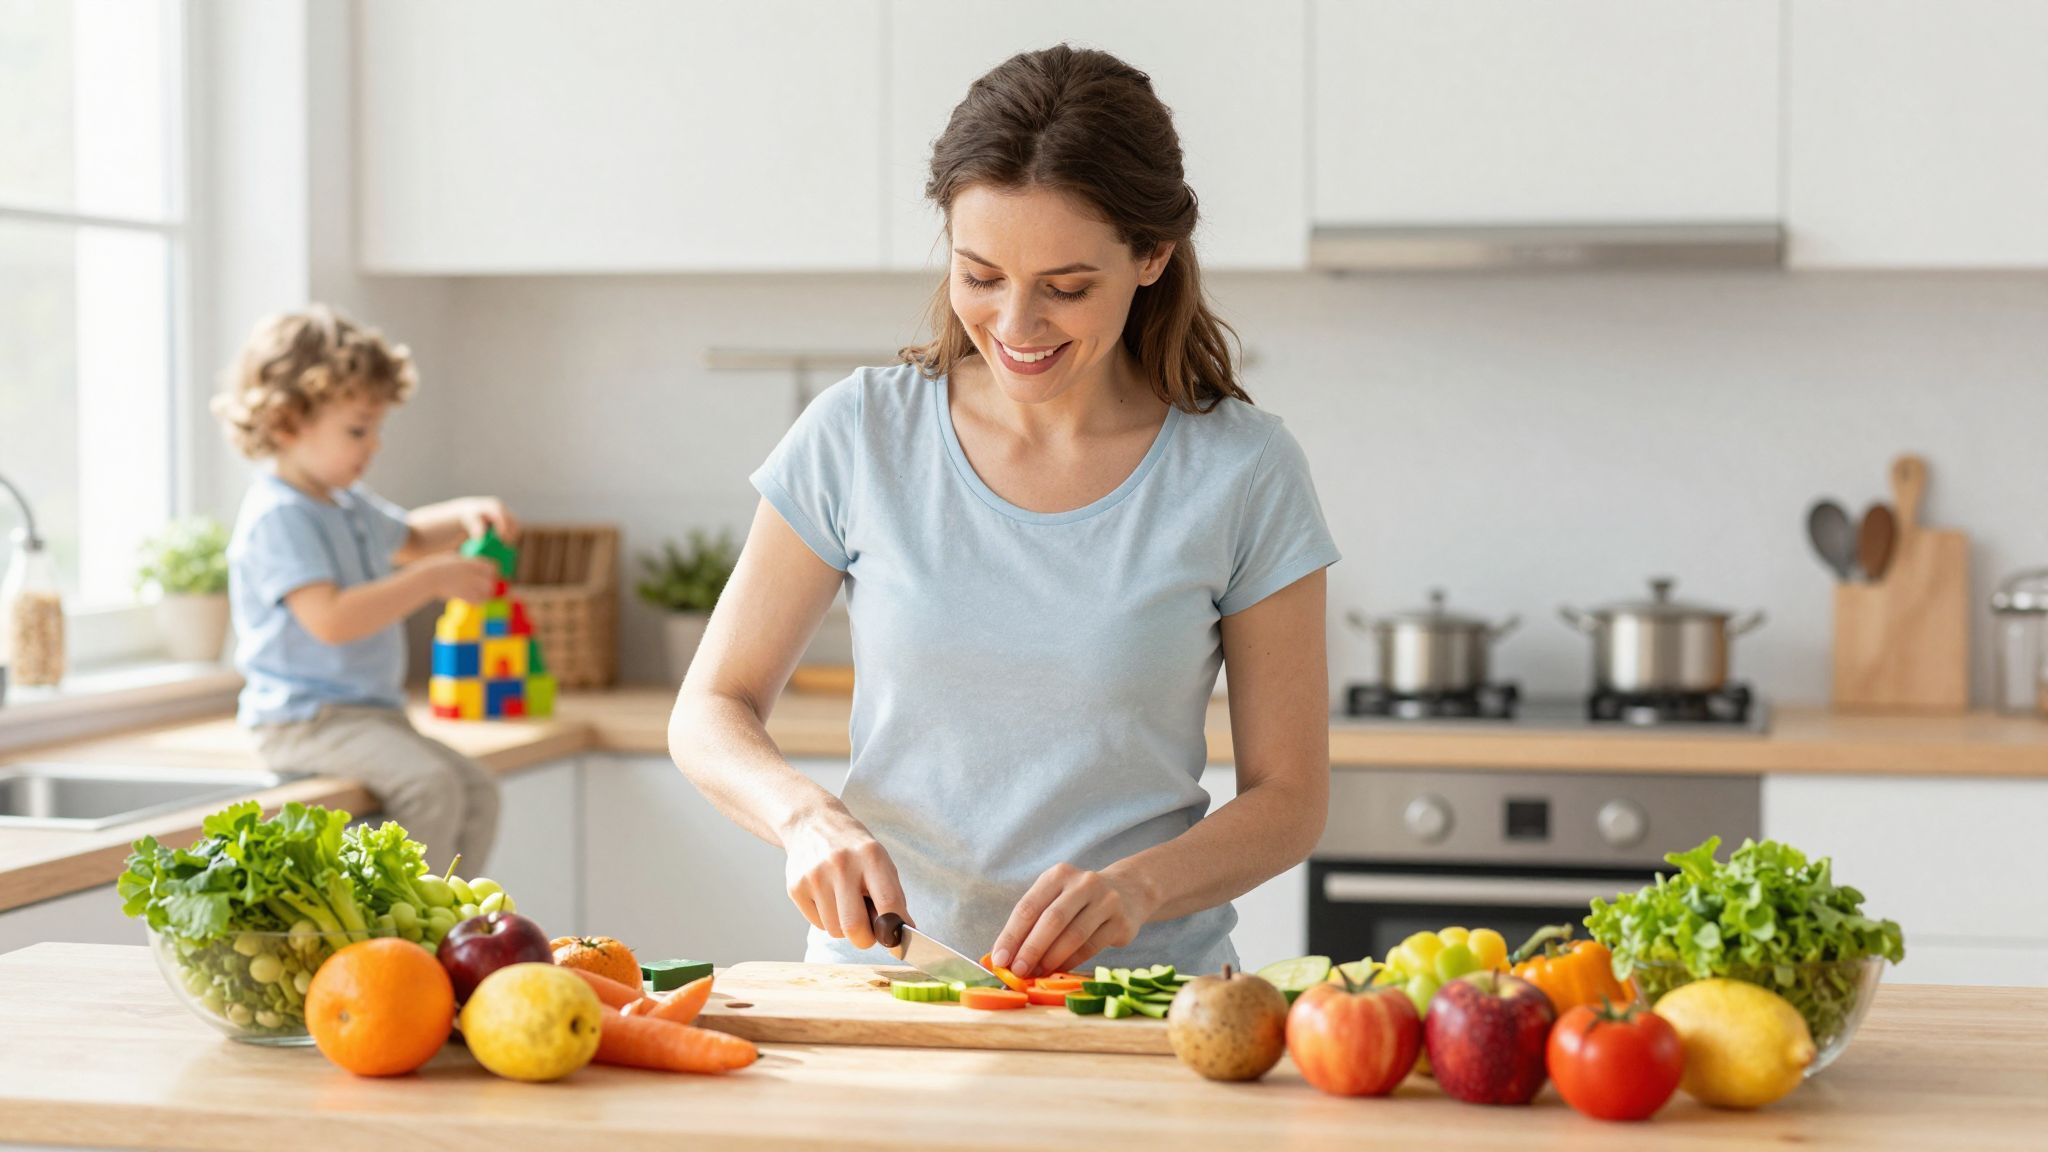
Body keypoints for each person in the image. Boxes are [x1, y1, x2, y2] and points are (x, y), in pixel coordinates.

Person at [669, 45, 1338, 978]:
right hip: (890, 984)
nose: (1017, 326)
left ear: (1152, 255)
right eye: (981, 276)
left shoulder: (1242, 471)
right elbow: (708, 708)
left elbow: (1291, 796)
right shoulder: (860, 435)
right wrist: (803, 817)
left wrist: (1139, 888)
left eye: (1066, 289)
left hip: (1135, 1002)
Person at [214, 305, 514, 873]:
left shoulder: (343, 502)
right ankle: (400, 934)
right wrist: (430, 581)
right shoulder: (280, 516)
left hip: (368, 716)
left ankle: (450, 930)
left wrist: (467, 513)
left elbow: (413, 537)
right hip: (304, 721)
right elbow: (330, 619)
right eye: (357, 429)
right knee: (432, 788)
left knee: (477, 790)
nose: (373, 444)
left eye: (376, 427)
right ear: (285, 423)